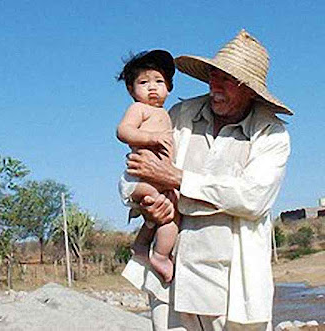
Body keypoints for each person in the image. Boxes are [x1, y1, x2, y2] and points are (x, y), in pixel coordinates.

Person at [122, 30, 292, 331]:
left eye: (228, 80)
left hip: (231, 286)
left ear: (250, 90)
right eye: (214, 76)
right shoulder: (180, 115)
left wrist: (178, 179)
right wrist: (143, 204)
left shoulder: (271, 134)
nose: (215, 87)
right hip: (172, 280)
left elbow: (253, 198)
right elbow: (135, 169)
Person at [116, 50, 178, 283]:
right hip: (138, 179)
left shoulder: (166, 113)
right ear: (131, 90)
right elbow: (123, 131)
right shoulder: (139, 109)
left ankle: (143, 246)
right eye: (144, 82)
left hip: (160, 181)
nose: (152, 87)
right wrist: (151, 138)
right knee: (163, 210)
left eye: (159, 81)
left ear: (169, 87)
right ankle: (159, 256)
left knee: (170, 213)